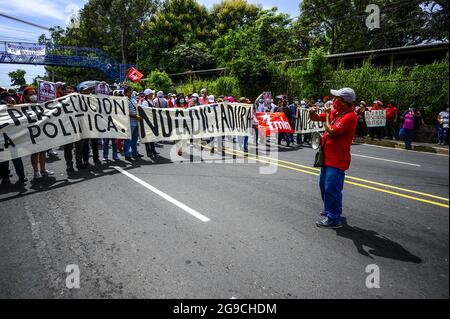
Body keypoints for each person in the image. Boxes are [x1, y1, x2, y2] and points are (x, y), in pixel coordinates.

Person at [309, 88, 358, 229]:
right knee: (323, 185)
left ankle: (334, 218)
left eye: (337, 98)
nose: (334, 100)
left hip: (337, 159)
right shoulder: (337, 112)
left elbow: (331, 131)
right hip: (327, 156)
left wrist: (328, 114)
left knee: (332, 188)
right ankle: (329, 209)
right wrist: (312, 112)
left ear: (344, 102)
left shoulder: (350, 117)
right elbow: (316, 118)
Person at [0, 96, 28, 184]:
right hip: (6, 139)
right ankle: (17, 177)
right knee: (10, 159)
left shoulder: (11, 109)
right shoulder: (7, 108)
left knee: (11, 158)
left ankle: (9, 177)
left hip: (10, 138)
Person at [123, 87, 143, 161]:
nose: (130, 93)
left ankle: (134, 153)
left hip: (136, 121)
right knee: (128, 139)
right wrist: (135, 116)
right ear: (125, 93)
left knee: (134, 139)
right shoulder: (124, 100)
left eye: (131, 91)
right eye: (128, 91)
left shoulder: (133, 99)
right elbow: (126, 112)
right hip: (130, 122)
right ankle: (127, 154)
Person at [141, 89, 159, 158]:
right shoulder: (145, 102)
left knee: (152, 137)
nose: (152, 95)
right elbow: (145, 111)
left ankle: (153, 150)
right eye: (151, 94)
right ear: (148, 95)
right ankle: (148, 151)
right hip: (147, 122)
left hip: (152, 121)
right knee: (147, 137)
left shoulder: (151, 101)